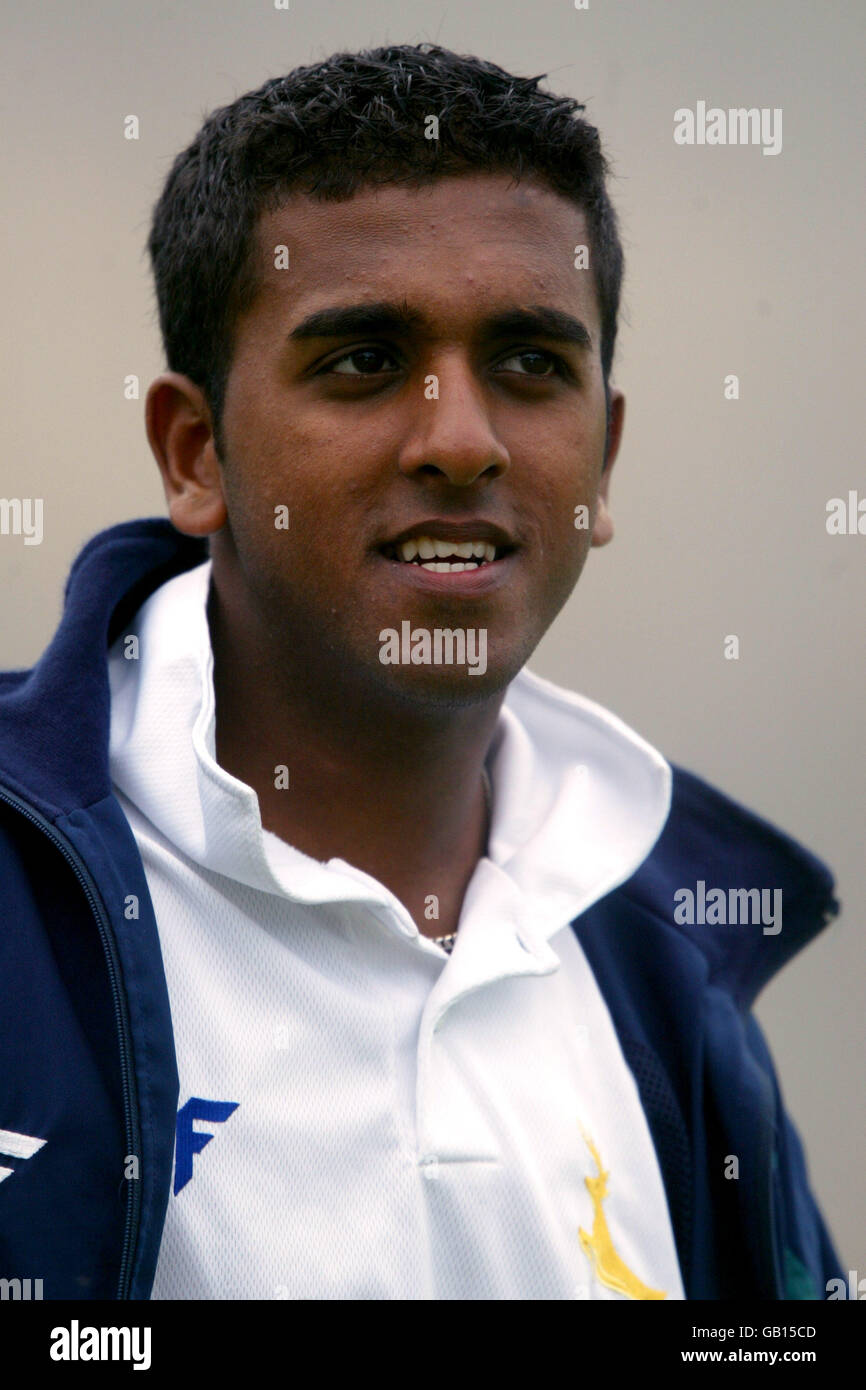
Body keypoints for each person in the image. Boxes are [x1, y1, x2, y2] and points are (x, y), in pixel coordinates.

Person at [0, 42, 843, 1301]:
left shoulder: (666, 961)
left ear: (602, 460)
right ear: (195, 453)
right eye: (365, 360)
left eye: (529, 364)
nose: (461, 439)